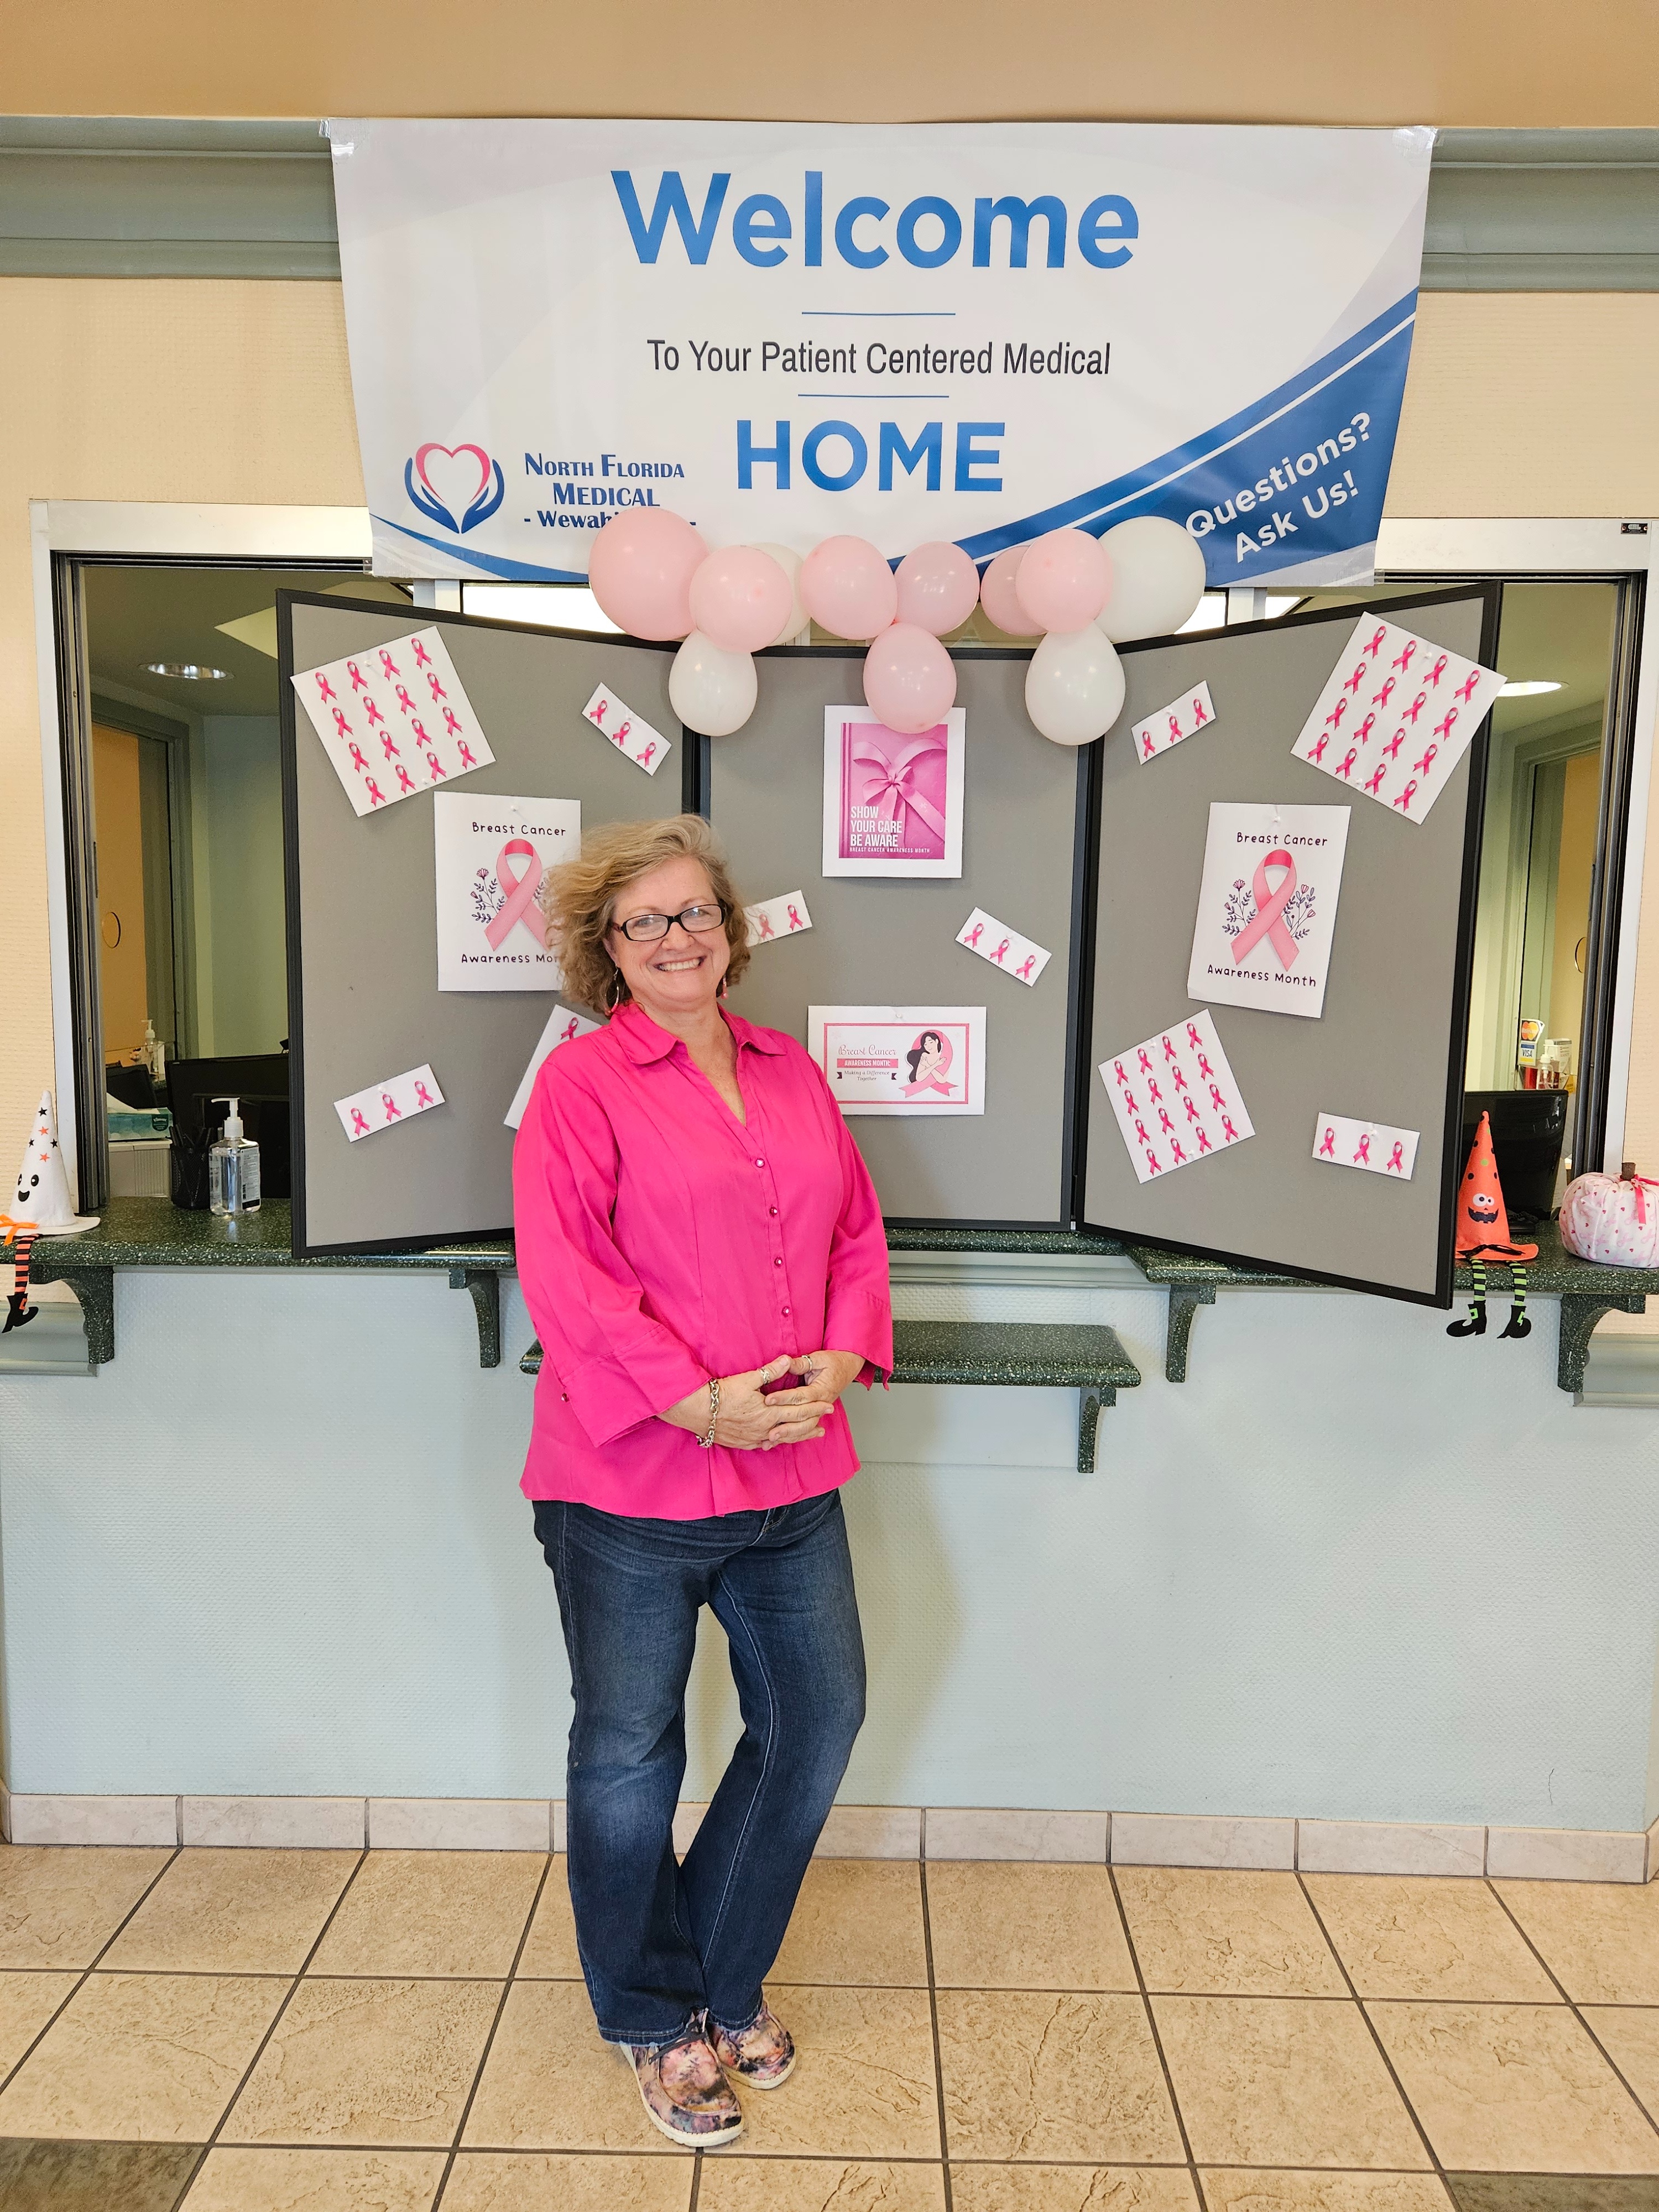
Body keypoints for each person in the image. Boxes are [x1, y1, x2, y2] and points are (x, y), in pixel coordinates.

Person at [513, 814, 893, 2148]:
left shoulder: (792, 1070)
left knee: (818, 1716)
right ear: (607, 950)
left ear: (730, 929)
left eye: (696, 912)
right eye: (646, 920)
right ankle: (651, 2014)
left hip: (792, 1461)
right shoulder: (579, 1086)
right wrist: (697, 1399)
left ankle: (722, 1980)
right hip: (627, 1479)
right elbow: (569, 1274)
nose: (678, 936)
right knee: (630, 1751)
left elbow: (853, 1230)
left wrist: (844, 1349)